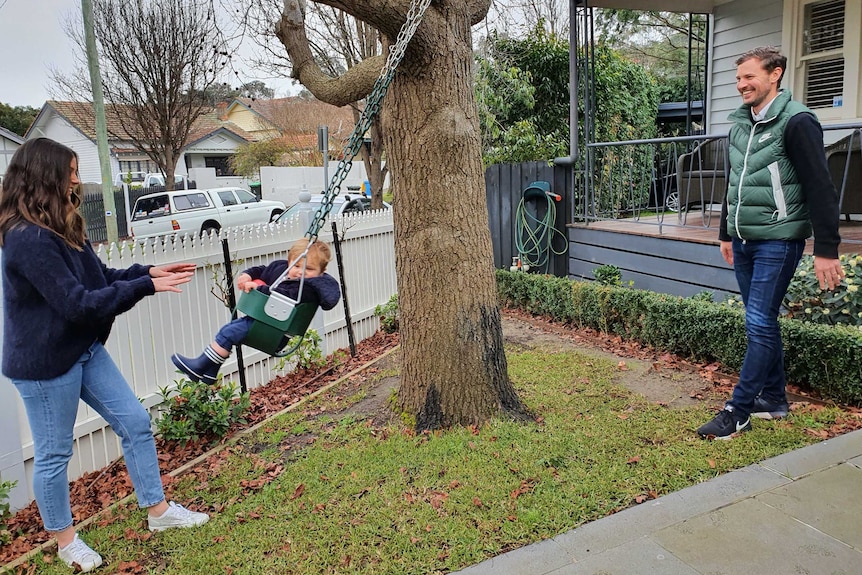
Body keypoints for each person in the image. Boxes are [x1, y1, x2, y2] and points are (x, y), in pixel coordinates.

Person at [0, 138, 210, 572]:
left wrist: (147, 272)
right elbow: (79, 304)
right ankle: (65, 541)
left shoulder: (62, 226)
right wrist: (145, 287)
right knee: (55, 453)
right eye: (70, 172)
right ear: (44, 177)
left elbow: (101, 279)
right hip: (45, 364)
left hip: (82, 347)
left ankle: (158, 511)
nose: (77, 180)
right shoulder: (26, 240)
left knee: (134, 421)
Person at [697, 46, 844, 440]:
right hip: (744, 239)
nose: (742, 85)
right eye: (738, 79)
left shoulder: (797, 122)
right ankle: (774, 398)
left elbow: (821, 187)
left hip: (779, 240)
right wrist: (726, 232)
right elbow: (735, 182)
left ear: (775, 74)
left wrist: (826, 249)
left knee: (759, 322)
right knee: (762, 322)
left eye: (749, 77)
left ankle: (738, 410)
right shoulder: (741, 123)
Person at [171, 238, 341, 384]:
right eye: (296, 265)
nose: (300, 272)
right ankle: (210, 372)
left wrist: (260, 288)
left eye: (309, 269)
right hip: (262, 322)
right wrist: (247, 276)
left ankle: (199, 365)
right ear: (289, 261)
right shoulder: (281, 269)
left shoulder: (308, 289)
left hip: (275, 332)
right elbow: (261, 270)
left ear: (321, 272)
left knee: (229, 333)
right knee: (226, 331)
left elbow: (285, 295)